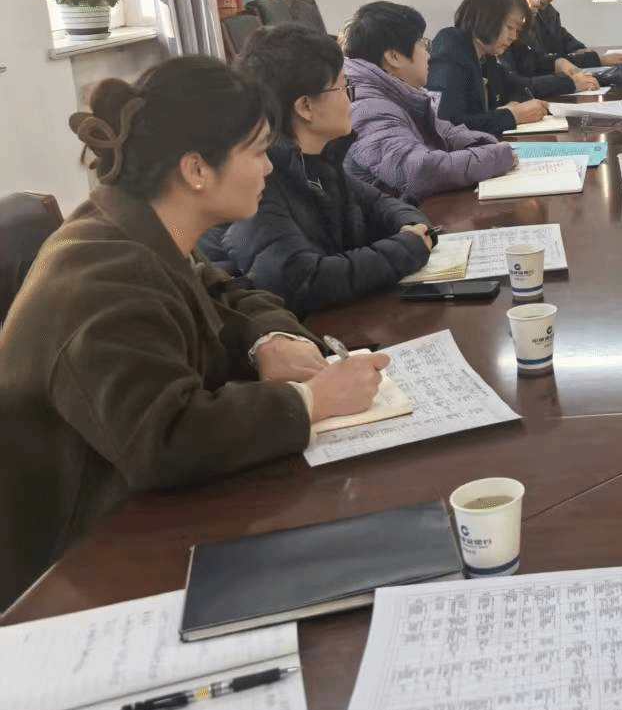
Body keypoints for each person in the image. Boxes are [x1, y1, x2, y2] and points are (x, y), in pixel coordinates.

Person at [0, 57, 388, 605]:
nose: (269, 168)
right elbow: (165, 440)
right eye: (257, 151)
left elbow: (228, 294)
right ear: (196, 169)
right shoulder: (104, 274)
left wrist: (269, 340)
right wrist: (311, 401)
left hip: (140, 513)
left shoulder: (141, 224)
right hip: (76, 568)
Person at [210, 24, 434, 315]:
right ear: (305, 107)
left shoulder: (321, 160)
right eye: (343, 88)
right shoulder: (261, 180)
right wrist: (406, 248)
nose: (350, 99)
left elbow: (382, 205)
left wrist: (413, 230)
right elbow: (300, 280)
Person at [342, 0, 516, 201]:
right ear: (394, 57)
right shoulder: (367, 107)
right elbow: (419, 171)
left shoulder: (399, 93)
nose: (428, 54)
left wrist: (489, 146)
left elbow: (446, 132)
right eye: (422, 44)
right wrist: (495, 158)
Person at [428, 0, 550, 135]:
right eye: (510, 27)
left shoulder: (486, 56)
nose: (513, 37)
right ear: (487, 18)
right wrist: (512, 115)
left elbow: (517, 87)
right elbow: (447, 123)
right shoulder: (450, 46)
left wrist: (513, 105)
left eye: (517, 30)